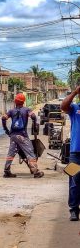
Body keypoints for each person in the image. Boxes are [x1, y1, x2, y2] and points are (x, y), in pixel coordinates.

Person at [1, 93, 44, 178]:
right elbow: (34, 116)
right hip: (22, 136)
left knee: (11, 153)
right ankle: (36, 172)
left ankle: (7, 171)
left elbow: (3, 118)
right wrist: (35, 125)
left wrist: (6, 130)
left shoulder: (11, 111)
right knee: (30, 152)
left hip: (13, 136)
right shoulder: (26, 110)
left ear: (15, 101)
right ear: (23, 101)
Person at [61, 85, 80, 221]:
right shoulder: (75, 108)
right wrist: (74, 92)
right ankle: (73, 210)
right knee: (74, 181)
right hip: (75, 152)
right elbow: (63, 106)